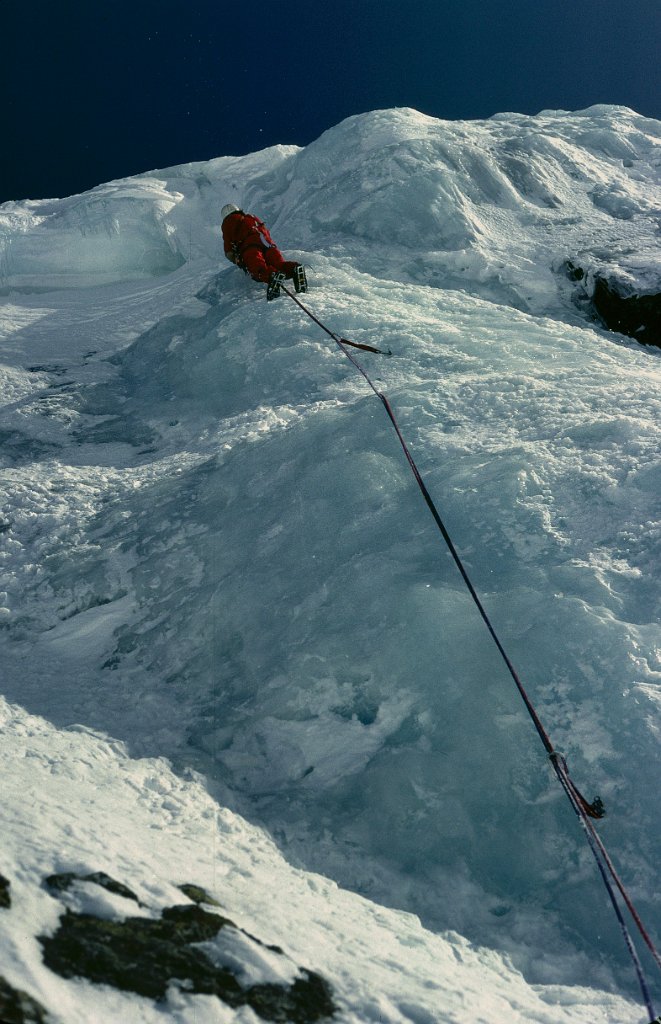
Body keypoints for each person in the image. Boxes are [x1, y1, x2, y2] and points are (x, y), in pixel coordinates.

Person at [220, 204, 307, 300]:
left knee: (258, 269)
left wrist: (236, 259)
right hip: (268, 244)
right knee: (278, 264)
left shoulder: (228, 222)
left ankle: (272, 276)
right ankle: (293, 268)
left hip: (250, 247)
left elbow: (228, 249)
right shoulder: (251, 218)